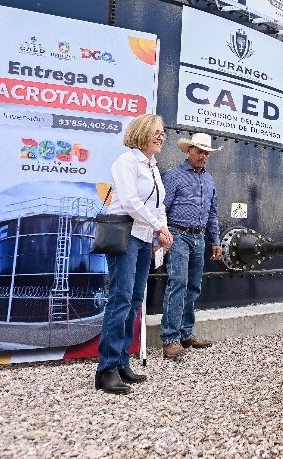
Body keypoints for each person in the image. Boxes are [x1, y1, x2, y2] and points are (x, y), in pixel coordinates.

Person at [95, 113, 173, 394]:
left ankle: (121, 361)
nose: (161, 136)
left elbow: (157, 204)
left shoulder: (152, 165)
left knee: (134, 301)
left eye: (163, 132)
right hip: (125, 237)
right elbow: (130, 201)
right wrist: (157, 227)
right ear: (141, 132)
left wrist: (161, 229)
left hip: (143, 239)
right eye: (156, 131)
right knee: (120, 299)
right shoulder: (126, 161)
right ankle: (106, 369)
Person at [160, 132, 224, 359]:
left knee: (193, 286)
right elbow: (161, 209)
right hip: (177, 235)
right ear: (189, 151)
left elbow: (212, 213)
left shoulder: (209, 179)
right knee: (178, 283)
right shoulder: (173, 176)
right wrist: (161, 236)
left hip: (199, 238)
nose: (203, 156)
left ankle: (186, 334)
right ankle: (170, 339)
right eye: (199, 151)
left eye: (206, 152)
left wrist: (215, 241)